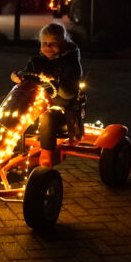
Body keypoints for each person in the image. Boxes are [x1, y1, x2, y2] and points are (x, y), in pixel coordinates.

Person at [11, 22, 83, 168]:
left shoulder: (71, 63)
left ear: (63, 43)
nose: (47, 47)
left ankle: (46, 155)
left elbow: (69, 94)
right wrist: (18, 77)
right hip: (36, 103)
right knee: (10, 108)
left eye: (53, 44)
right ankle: (2, 146)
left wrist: (55, 80)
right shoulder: (36, 61)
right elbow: (27, 77)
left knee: (47, 116)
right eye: (44, 43)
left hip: (63, 109)